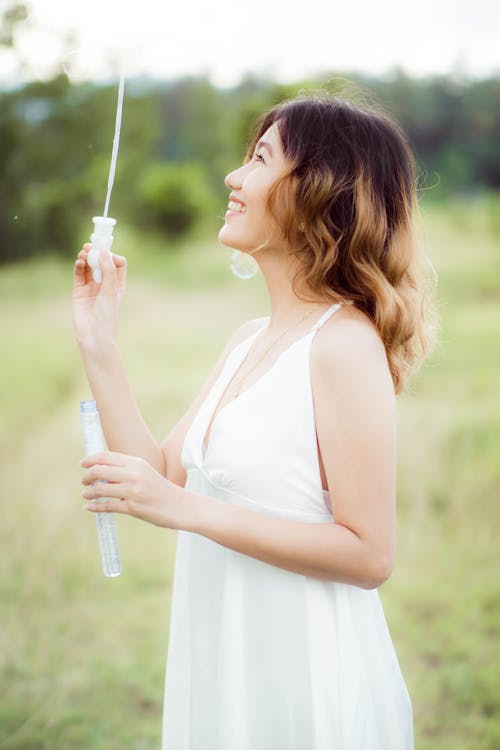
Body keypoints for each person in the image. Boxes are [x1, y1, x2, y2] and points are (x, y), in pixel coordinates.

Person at [73, 91, 437, 750]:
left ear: (317, 191)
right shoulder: (248, 338)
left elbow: (369, 553)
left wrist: (181, 510)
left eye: (259, 160)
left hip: (302, 679)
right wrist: (100, 342)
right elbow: (157, 476)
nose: (233, 179)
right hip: (223, 662)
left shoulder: (343, 345)